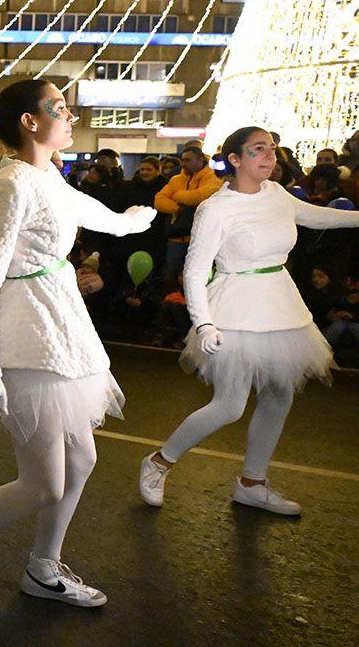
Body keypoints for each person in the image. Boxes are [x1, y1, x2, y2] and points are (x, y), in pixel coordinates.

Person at [0, 79, 154, 629]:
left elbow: (82, 207)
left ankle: (42, 567)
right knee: (43, 482)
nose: (69, 114)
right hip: (21, 332)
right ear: (30, 122)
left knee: (81, 459)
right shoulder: (10, 184)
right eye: (58, 108)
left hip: (56, 321)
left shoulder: (47, 176)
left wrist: (129, 221)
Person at [138, 127, 359, 515]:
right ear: (235, 160)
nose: (269, 156)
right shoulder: (216, 207)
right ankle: (159, 462)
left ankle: (252, 483)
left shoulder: (278, 195)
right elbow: (195, 270)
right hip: (235, 307)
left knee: (279, 396)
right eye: (258, 150)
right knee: (229, 405)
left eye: (271, 150)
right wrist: (203, 322)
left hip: (280, 302)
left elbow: (319, 218)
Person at [154, 145, 222, 281]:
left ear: (200, 160)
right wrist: (177, 209)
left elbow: (201, 196)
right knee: (171, 277)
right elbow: (158, 201)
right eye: (183, 160)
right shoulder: (176, 179)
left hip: (201, 239)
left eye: (188, 160)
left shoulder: (213, 176)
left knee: (198, 277)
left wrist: (178, 195)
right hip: (176, 238)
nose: (183, 164)